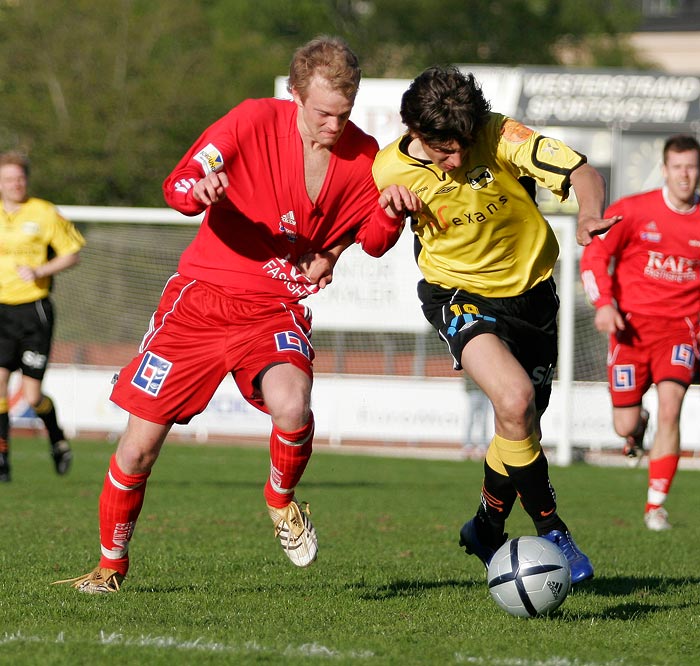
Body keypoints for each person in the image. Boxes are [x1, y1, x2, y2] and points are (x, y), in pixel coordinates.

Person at [53, 36, 418, 593]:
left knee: (292, 404)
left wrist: (389, 214)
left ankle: (280, 500)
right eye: (322, 112)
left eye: (343, 113)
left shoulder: (365, 156)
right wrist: (200, 189)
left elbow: (371, 239)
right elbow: (178, 184)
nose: (333, 124)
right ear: (295, 94)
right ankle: (110, 569)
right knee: (139, 446)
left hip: (274, 307)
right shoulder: (250, 122)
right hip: (198, 303)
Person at [372, 65, 621, 585]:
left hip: (532, 297)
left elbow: (584, 174)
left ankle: (487, 526)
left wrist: (591, 214)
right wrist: (387, 215)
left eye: (464, 145)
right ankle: (553, 529)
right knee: (513, 401)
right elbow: (369, 234)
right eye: (444, 150)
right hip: (457, 293)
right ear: (415, 133)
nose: (458, 160)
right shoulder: (389, 170)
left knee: (519, 424)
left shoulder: (500, 133)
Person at [580, 134, 700, 532]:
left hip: (680, 332)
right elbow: (596, 253)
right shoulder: (632, 211)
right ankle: (637, 426)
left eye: (692, 167)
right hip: (630, 331)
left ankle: (655, 506)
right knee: (624, 426)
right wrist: (605, 304)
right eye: (678, 167)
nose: (686, 175)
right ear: (665, 170)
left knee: (672, 406)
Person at [0, 151, 85, 482]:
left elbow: (72, 254)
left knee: (33, 396)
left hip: (34, 309)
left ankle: (57, 438)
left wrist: (39, 269)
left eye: (19, 178)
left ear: (26, 180)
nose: (15, 184)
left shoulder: (44, 212)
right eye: (8, 179)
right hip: (1, 309)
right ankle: (3, 458)